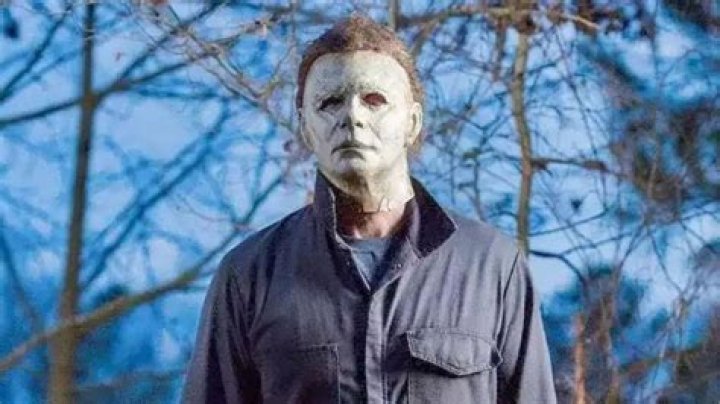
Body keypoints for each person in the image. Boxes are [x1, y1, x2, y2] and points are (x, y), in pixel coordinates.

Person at [182, 15, 556, 404]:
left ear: (412, 121)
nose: (353, 117)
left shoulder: (492, 267)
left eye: (374, 100)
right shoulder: (249, 275)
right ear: (306, 126)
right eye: (330, 102)